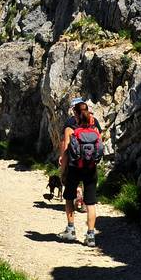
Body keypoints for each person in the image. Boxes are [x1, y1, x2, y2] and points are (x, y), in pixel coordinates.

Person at [56, 98, 105, 245]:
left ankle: (70, 230)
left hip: (73, 168)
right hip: (90, 169)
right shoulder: (95, 126)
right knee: (90, 203)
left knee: (69, 198)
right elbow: (99, 146)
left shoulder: (70, 128)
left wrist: (62, 171)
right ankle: (91, 236)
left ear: (75, 113)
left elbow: (65, 151)